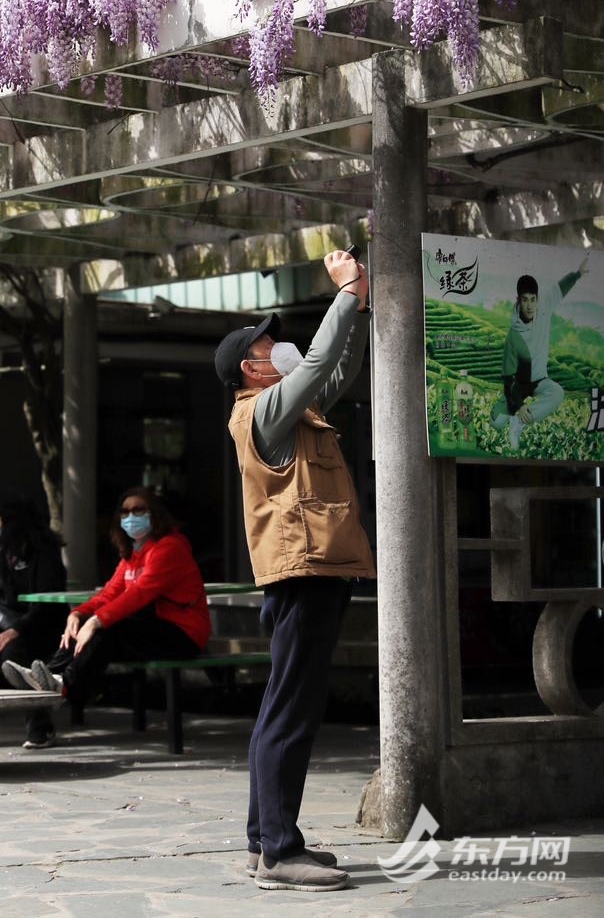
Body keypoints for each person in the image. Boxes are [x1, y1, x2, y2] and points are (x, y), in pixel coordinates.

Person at [213, 249, 375, 893]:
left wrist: (356, 310)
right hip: (303, 571)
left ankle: (265, 843)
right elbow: (314, 367)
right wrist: (345, 292)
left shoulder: (296, 409)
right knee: (291, 711)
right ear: (250, 371)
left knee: (282, 708)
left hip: (312, 569)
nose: (279, 347)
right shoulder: (264, 411)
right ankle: (280, 851)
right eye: (267, 345)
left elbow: (338, 368)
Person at [1, 486, 211, 716]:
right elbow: (108, 594)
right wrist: (79, 614)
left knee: (107, 627)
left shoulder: (170, 547)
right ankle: (50, 677)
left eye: (139, 510)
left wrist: (96, 620)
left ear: (155, 514)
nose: (131, 516)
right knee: (87, 626)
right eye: (125, 512)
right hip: (149, 631)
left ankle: (63, 686)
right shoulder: (133, 554)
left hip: (183, 635)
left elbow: (139, 593)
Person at [0, 490, 66, 749]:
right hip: (2, 623)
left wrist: (18, 629)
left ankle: (40, 727)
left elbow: (47, 601)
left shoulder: (44, 552)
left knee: (14, 653)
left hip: (39, 626)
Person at [491, 255, 589, 449]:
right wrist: (519, 404)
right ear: (518, 299)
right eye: (525, 300)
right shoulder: (513, 336)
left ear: (537, 299)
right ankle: (513, 414)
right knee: (496, 422)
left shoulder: (544, 305)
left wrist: (577, 274)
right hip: (519, 385)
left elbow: (561, 287)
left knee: (557, 392)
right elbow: (508, 378)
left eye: (533, 300)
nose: (530, 305)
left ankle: (518, 422)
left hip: (540, 380)